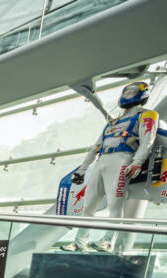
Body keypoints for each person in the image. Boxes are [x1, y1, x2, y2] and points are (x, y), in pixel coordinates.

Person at [64, 82, 159, 252]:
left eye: (132, 92)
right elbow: (95, 147)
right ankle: (80, 242)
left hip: (122, 160)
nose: (128, 95)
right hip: (102, 160)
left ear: (141, 95)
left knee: (115, 204)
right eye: (127, 91)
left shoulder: (147, 115)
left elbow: (147, 140)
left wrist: (137, 162)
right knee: (89, 205)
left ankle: (108, 241)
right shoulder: (113, 122)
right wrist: (82, 170)